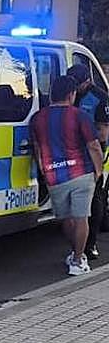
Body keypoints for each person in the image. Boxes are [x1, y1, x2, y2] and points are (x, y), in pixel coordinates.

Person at [29, 74, 104, 276]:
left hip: (54, 175)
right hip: (81, 173)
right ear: (71, 94)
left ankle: (75, 252)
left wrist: (43, 169)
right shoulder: (79, 115)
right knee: (81, 218)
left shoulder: (38, 118)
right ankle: (78, 259)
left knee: (66, 219)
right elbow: (94, 145)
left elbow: (37, 147)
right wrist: (98, 171)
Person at [67, 64, 109, 260]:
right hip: (73, 152)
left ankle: (90, 244)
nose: (75, 89)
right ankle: (77, 244)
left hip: (93, 153)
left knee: (95, 199)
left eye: (78, 84)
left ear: (87, 81)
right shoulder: (70, 94)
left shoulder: (100, 98)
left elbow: (102, 132)